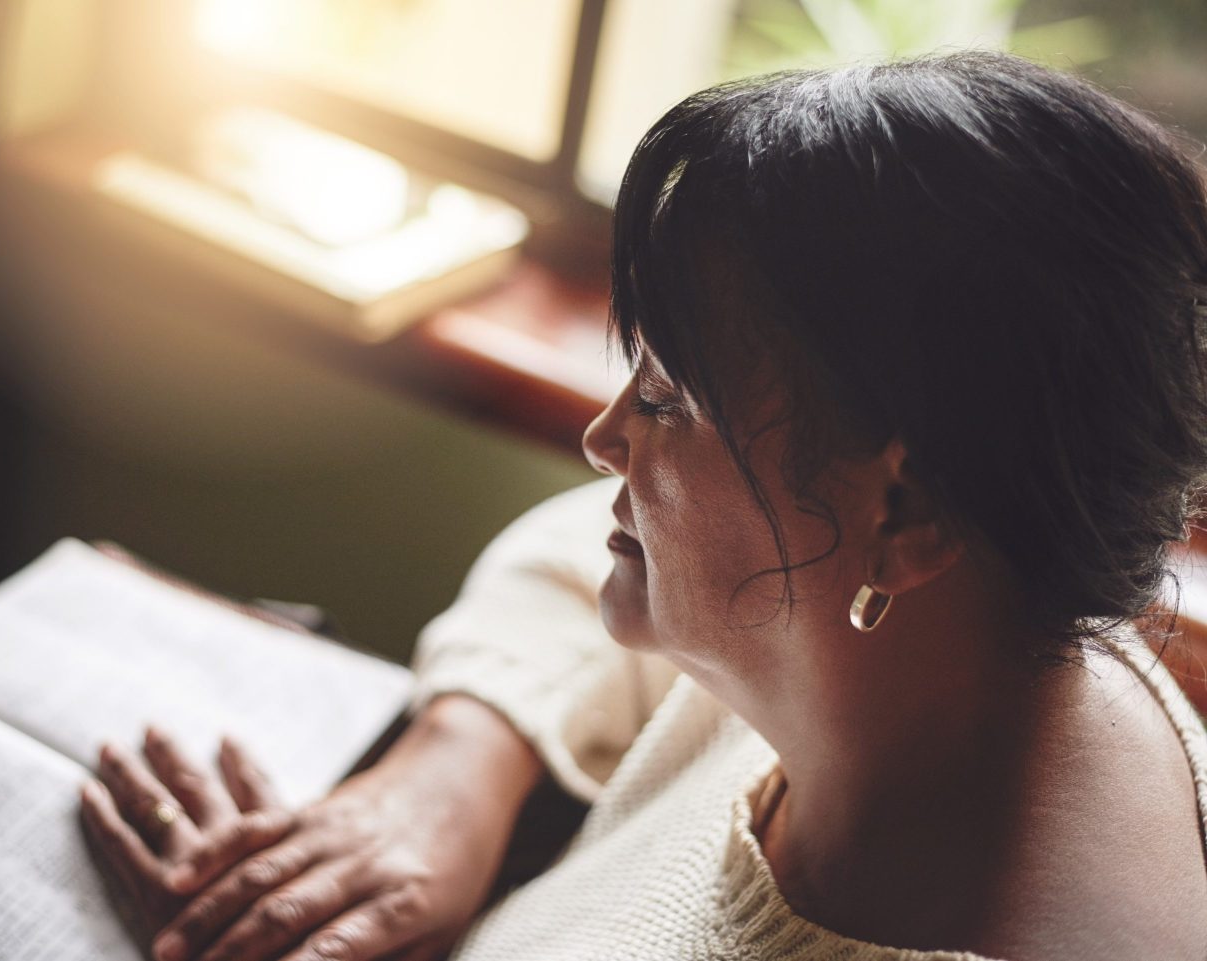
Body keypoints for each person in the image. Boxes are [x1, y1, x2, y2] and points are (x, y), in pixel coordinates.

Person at [79, 51, 1207, 960]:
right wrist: (455, 771)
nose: (602, 437)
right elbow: (593, 546)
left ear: (903, 506)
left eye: (666, 399)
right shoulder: (1001, 645)